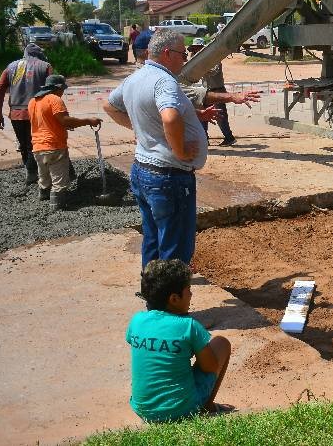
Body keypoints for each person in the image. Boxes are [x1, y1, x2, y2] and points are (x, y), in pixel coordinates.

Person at [104, 28, 209, 267]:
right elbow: (170, 118)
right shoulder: (164, 82)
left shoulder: (135, 78)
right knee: (175, 246)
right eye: (183, 54)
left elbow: (109, 106)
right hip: (169, 176)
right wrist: (180, 151)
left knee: (152, 237)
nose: (185, 59)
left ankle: (151, 291)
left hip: (143, 171)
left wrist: (141, 131)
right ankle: (169, 300)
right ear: (166, 53)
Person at [127, 259, 232, 422]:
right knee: (221, 343)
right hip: (181, 410)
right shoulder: (188, 326)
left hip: (143, 409)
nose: (191, 294)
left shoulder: (137, 320)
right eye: (188, 290)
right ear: (174, 299)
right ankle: (206, 407)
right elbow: (210, 367)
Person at [28, 74, 103, 210]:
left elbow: (46, 121)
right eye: (63, 89)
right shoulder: (54, 99)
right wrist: (88, 121)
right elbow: (64, 120)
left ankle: (44, 195)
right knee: (59, 180)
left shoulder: (33, 101)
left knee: (44, 177)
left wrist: (65, 125)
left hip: (37, 146)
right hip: (54, 146)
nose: (63, 92)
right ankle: (57, 206)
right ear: (58, 88)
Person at [0, 43, 53, 184]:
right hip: (38, 113)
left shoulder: (11, 66)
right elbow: (53, 91)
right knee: (38, 143)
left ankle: (30, 172)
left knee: (24, 144)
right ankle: (38, 174)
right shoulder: (45, 66)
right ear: (39, 53)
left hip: (16, 114)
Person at [187, 37, 236, 146]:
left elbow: (215, 71)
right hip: (206, 92)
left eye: (198, 49)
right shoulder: (199, 61)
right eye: (195, 49)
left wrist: (201, 66)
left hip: (217, 90)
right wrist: (193, 59)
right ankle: (204, 138)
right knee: (203, 116)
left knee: (220, 117)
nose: (196, 51)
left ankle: (229, 137)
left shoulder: (214, 58)